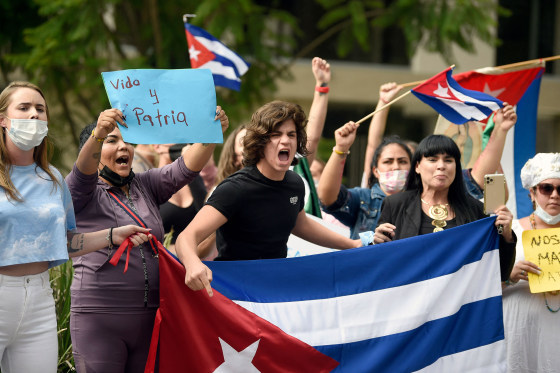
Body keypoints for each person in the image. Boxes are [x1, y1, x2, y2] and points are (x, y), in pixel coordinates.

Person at [0, 81, 151, 373]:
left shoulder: (53, 179)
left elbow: (65, 242)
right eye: (24, 107)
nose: (34, 115)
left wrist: (112, 236)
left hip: (40, 303)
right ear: (3, 120)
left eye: (40, 109)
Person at [65, 106, 228, 372]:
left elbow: (185, 169)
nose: (123, 147)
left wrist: (211, 133)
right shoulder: (82, 190)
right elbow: (83, 170)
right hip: (99, 319)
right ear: (93, 149)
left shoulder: (145, 184)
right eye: (112, 140)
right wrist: (98, 133)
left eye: (128, 141)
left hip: (150, 316)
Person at [175, 101, 362, 296]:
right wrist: (192, 263)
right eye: (276, 134)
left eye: (291, 135)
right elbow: (186, 238)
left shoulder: (295, 184)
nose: (285, 141)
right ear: (260, 142)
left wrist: (354, 245)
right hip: (237, 293)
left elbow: (300, 224)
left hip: (275, 289)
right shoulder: (234, 188)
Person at [373, 134, 516, 281]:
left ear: (456, 167)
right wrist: (376, 243)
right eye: (432, 159)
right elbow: (381, 266)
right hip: (410, 299)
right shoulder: (395, 204)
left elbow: (498, 273)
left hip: (460, 300)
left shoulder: (476, 209)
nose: (441, 165)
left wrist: (507, 236)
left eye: (448, 160)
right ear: (417, 166)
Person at [502, 153, 560, 373]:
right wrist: (509, 275)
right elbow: (480, 288)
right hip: (519, 329)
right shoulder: (510, 232)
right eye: (547, 188)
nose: (554, 195)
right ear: (532, 193)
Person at [317, 120, 412, 239]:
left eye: (402, 161)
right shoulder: (363, 199)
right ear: (375, 171)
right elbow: (327, 198)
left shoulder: (422, 201)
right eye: (388, 161)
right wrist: (341, 149)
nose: (396, 167)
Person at [155, 143, 207, 249]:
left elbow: (205, 218)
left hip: (194, 259)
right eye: (174, 138)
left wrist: (191, 164)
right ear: (157, 146)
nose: (182, 143)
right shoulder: (149, 184)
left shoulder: (195, 181)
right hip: (161, 260)